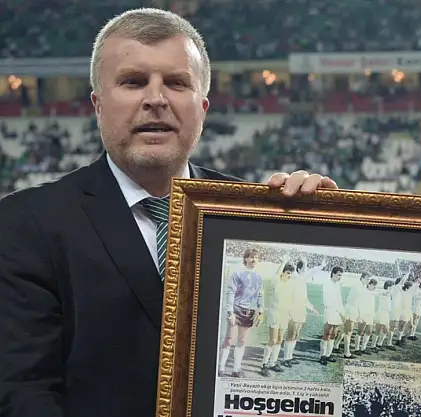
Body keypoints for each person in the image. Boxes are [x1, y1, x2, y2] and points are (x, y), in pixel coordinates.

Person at [0, 8, 336, 417]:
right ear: (98, 105)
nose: (156, 99)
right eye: (133, 81)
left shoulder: (251, 215)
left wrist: (323, 227)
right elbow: (23, 391)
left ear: (203, 108)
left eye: (176, 83)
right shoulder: (27, 223)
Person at [218, 246, 264, 377]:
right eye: (251, 257)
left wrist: (261, 312)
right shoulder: (237, 274)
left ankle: (236, 369)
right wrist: (230, 312)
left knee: (242, 341)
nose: (254, 259)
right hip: (236, 309)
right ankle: (221, 367)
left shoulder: (259, 277)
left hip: (249, 312)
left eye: (256, 257)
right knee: (229, 339)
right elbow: (231, 292)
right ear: (245, 259)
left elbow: (260, 295)